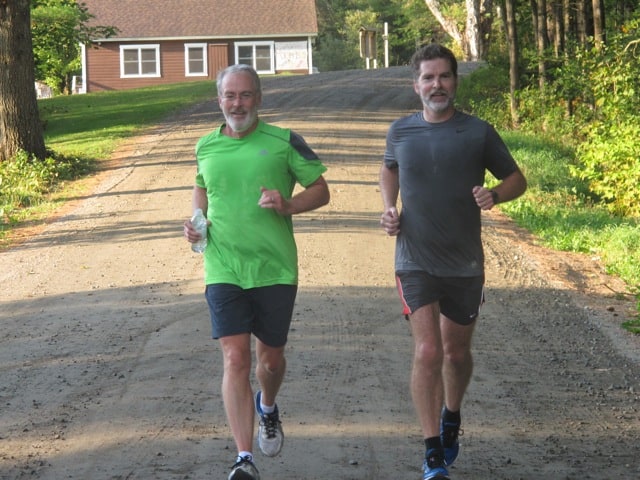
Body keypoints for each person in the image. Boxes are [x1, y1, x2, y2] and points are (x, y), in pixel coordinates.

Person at [379, 44, 527, 480]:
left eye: (444, 76)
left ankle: (451, 414)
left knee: (456, 354)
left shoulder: (478, 132)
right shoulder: (400, 131)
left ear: (455, 81)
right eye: (428, 78)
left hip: (464, 263)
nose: (436, 85)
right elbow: (390, 168)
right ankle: (431, 453)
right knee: (428, 350)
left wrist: (495, 195)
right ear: (416, 85)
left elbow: (516, 178)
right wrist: (390, 207)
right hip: (414, 259)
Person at [184, 64, 330, 480]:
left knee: (270, 361)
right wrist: (195, 222)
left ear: (259, 99)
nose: (237, 103)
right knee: (235, 359)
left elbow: (321, 189)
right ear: (219, 100)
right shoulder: (206, 145)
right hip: (223, 266)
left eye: (245, 95)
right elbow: (202, 188)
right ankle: (243, 458)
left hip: (274, 269)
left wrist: (288, 205)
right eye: (230, 96)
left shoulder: (284, 141)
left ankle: (267, 405)